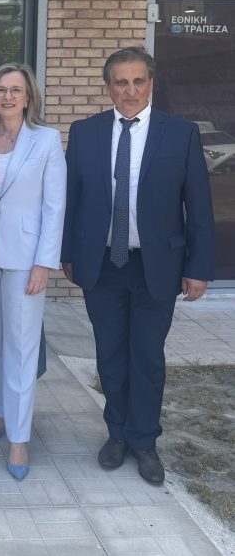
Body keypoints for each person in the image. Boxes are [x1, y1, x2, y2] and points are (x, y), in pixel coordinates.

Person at [61, 46, 215, 485]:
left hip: (157, 266)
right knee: (110, 355)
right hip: (103, 265)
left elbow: (199, 206)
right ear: (108, 87)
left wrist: (199, 266)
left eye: (138, 81)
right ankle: (117, 434)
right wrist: (67, 253)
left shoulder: (180, 134)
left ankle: (144, 441)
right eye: (121, 82)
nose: (130, 90)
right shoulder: (85, 131)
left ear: (151, 83)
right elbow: (72, 199)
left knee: (147, 357)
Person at [0, 63, 66, 480]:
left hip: (26, 257)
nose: (8, 97)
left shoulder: (46, 139)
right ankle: (1, 413)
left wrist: (45, 262)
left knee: (22, 345)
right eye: (1, 90)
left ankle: (20, 439)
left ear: (29, 98)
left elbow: (54, 206)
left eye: (16, 90)